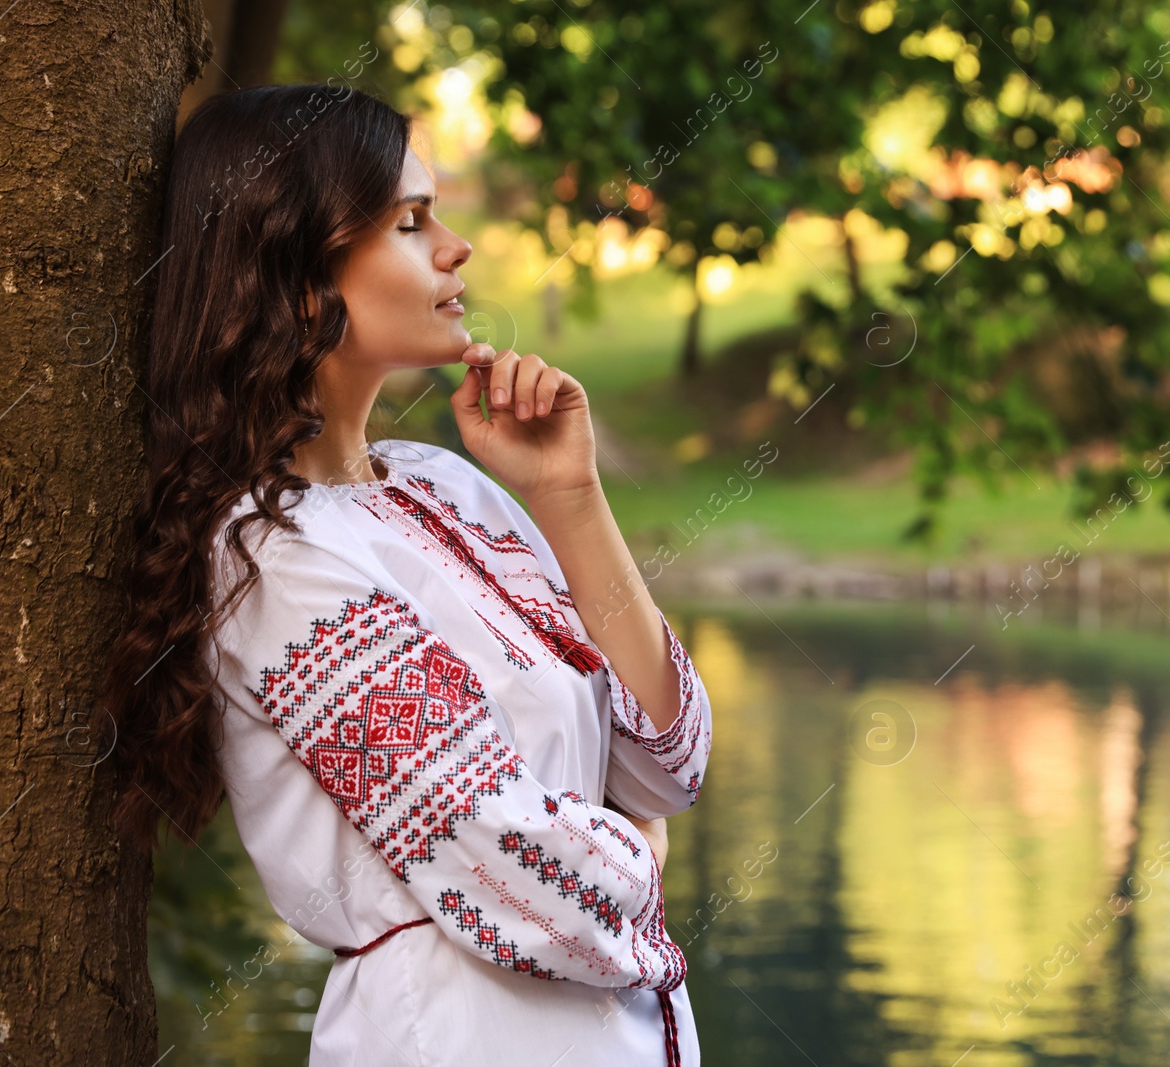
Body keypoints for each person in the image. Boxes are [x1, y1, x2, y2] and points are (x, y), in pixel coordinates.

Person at [94, 82, 712, 1066]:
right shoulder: (272, 556)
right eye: (411, 222)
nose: (456, 247)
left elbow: (667, 760)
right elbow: (525, 872)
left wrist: (572, 497)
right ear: (299, 274)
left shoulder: (442, 487)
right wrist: (638, 850)